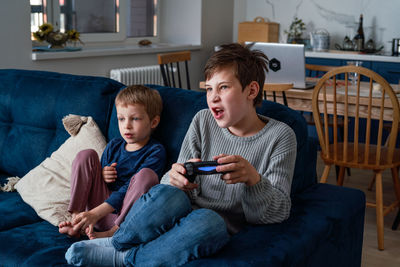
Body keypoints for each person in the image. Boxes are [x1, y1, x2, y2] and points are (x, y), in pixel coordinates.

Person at [65, 43, 297, 266]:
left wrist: (253, 180)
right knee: (167, 193)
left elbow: (277, 213)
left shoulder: (280, 136)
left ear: (252, 90)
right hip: (180, 208)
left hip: (216, 224)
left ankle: (123, 259)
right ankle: (116, 243)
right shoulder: (203, 120)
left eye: (223, 87)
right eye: (208, 88)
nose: (213, 97)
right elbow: (170, 183)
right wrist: (174, 178)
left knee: (209, 220)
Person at [59, 85, 166, 239]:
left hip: (123, 217)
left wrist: (95, 214)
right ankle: (77, 219)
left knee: (146, 176)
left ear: (154, 122)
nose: (126, 125)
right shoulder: (114, 145)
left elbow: (132, 188)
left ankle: (112, 234)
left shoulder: (156, 151)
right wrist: (103, 173)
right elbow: (96, 178)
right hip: (94, 213)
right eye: (121, 119)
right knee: (86, 154)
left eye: (135, 118)